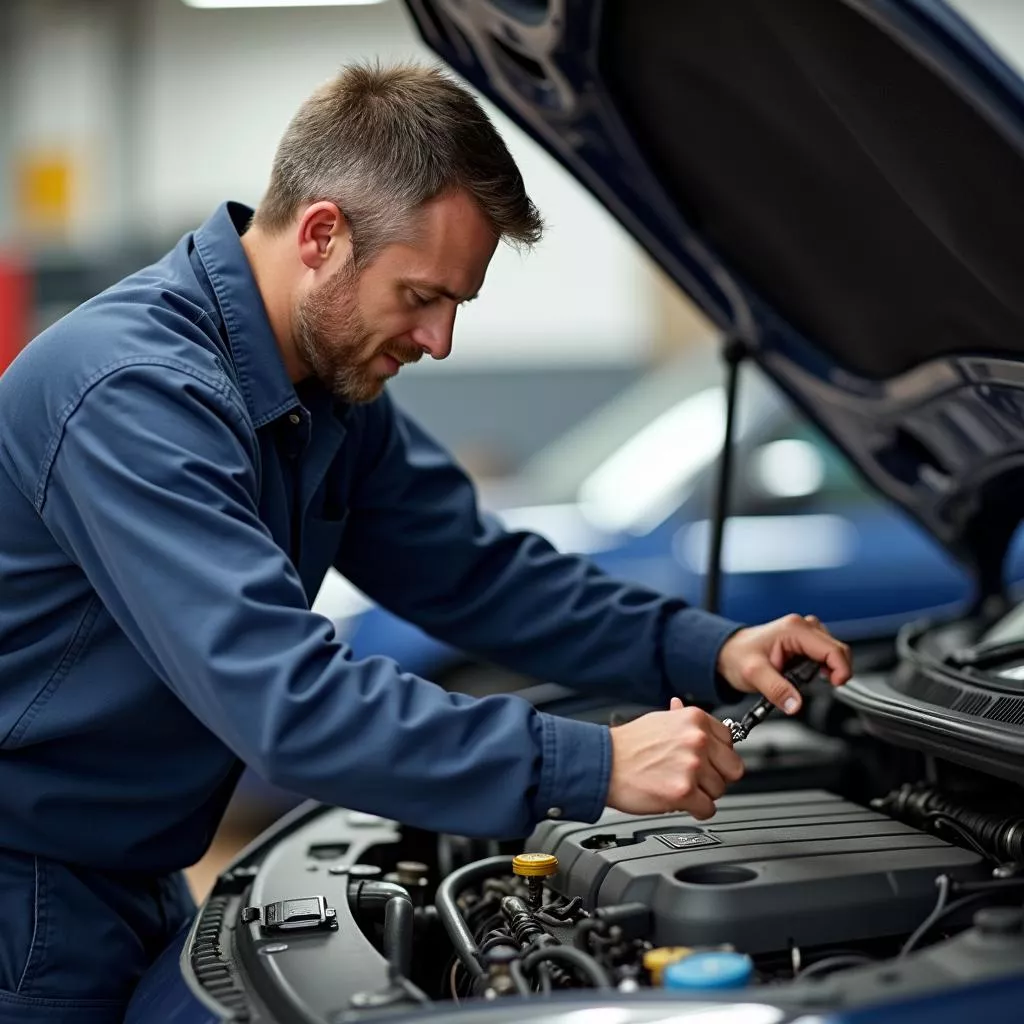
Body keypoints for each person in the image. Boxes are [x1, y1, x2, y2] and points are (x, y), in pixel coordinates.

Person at [0, 63, 851, 1020]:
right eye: (420, 295)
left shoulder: (325, 386)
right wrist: (597, 764)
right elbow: (290, 702)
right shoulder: (133, 393)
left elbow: (479, 574)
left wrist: (710, 651)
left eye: (459, 304)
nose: (439, 340)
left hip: (132, 866)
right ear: (322, 234)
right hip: (27, 891)